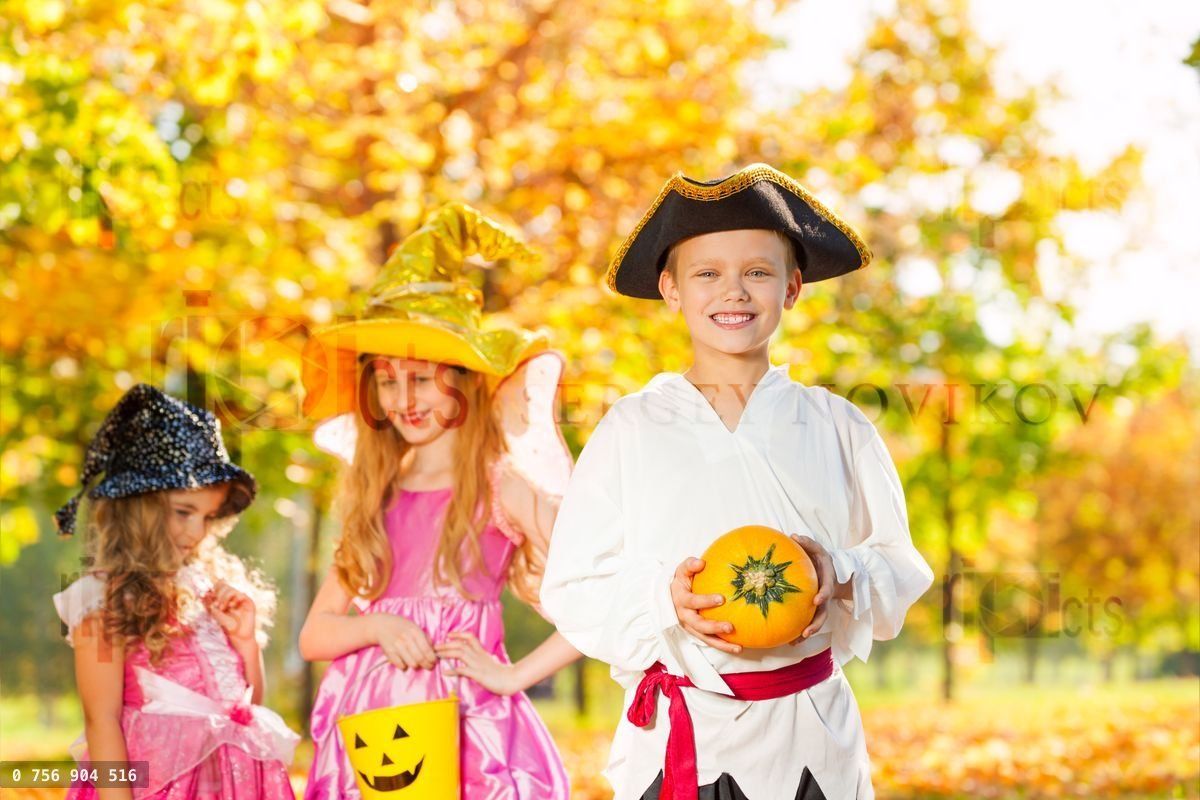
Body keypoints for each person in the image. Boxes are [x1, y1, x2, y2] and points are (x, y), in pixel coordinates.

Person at [540, 164, 936, 800]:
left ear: (792, 287)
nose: (734, 292)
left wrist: (839, 574)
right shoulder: (632, 426)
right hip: (680, 738)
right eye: (707, 274)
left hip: (810, 739)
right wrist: (664, 599)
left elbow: (900, 564)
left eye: (757, 271)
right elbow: (573, 585)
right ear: (670, 290)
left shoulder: (839, 425)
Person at [298, 202, 579, 799]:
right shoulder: (377, 495)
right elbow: (316, 635)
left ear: (466, 380)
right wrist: (376, 624)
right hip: (375, 732)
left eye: (422, 378)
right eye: (387, 378)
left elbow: (601, 595)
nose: (404, 398)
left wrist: (512, 676)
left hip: (471, 732)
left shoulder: (502, 489)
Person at [52, 383, 299, 800]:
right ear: (140, 505)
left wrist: (245, 644)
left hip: (235, 783)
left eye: (208, 516)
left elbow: (246, 708)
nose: (197, 531)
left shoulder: (208, 587)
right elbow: (101, 721)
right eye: (184, 512)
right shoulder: (102, 600)